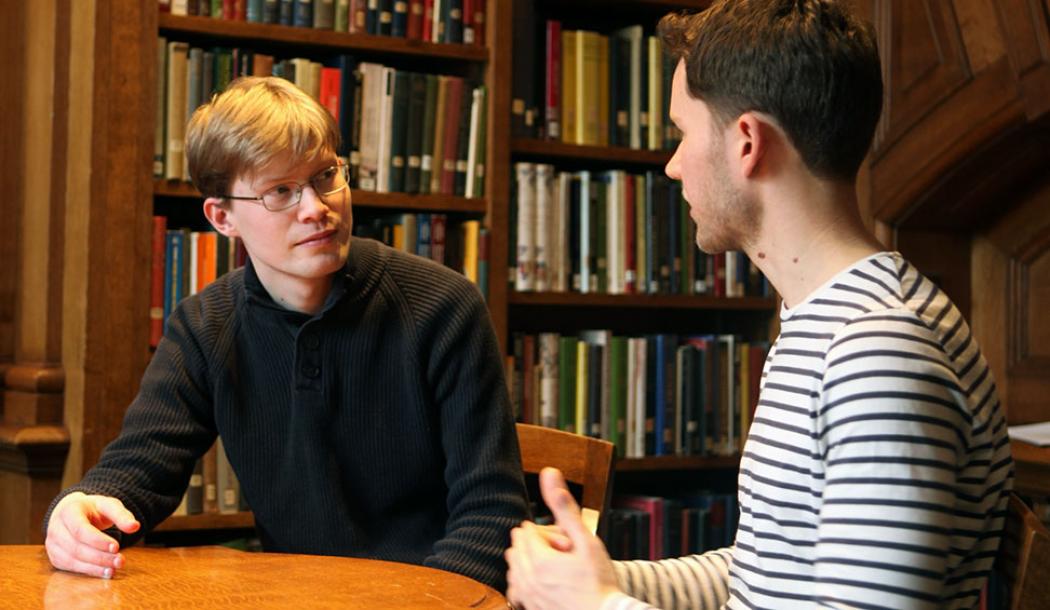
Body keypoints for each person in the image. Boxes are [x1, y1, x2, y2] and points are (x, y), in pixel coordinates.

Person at [505, 1, 1014, 608]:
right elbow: (762, 573)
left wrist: (593, 605)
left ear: (747, 143)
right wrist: (610, 581)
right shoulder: (824, 320)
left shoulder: (880, 353)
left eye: (682, 133)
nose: (671, 165)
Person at [43, 76, 529, 590]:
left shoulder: (443, 306)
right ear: (222, 216)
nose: (316, 208)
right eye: (281, 191)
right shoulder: (205, 326)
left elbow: (490, 516)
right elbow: (139, 469)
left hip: (434, 598)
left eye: (326, 176)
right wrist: (80, 510)